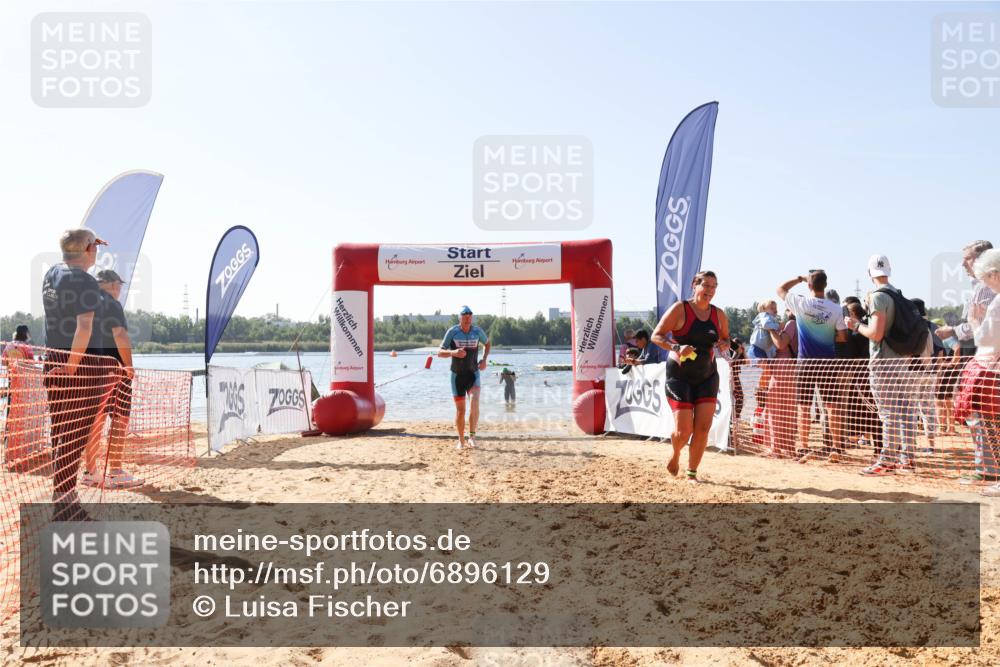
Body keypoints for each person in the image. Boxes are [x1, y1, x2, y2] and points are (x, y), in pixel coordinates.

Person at [42, 228, 115, 519]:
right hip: (78, 368)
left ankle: (64, 502)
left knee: (61, 435)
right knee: (74, 438)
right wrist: (73, 366)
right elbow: (84, 327)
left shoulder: (52, 274)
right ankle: (65, 507)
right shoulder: (83, 279)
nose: (97, 251)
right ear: (87, 249)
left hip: (53, 360)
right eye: (94, 245)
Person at [847, 255, 932, 475]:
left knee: (888, 412)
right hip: (902, 361)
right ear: (889, 270)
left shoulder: (878, 297)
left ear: (869, 273)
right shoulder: (897, 294)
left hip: (883, 362)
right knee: (906, 410)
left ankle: (887, 460)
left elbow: (875, 334)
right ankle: (908, 459)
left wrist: (856, 325)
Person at [651, 271, 730, 483]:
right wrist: (677, 346)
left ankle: (692, 473)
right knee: (683, 431)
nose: (710, 291)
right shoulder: (680, 309)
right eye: (706, 286)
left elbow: (725, 339)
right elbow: (656, 336)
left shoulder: (718, 314)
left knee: (703, 428)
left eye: (714, 287)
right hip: (680, 375)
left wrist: (725, 344)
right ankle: (675, 454)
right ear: (695, 286)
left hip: (707, 376)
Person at [777, 270, 849, 463]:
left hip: (805, 362)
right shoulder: (835, 308)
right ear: (825, 286)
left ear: (809, 285)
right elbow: (843, 337)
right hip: (827, 362)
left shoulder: (801, 303)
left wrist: (799, 279)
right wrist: (827, 335)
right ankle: (836, 447)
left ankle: (804, 447)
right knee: (832, 407)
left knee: (803, 406)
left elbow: (781, 289)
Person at [81, 270, 143, 489]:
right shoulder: (112, 304)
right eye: (120, 285)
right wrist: (129, 367)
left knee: (95, 420)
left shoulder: (85, 301)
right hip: (114, 369)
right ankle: (115, 470)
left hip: (89, 369)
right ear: (113, 284)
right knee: (119, 419)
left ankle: (90, 471)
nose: (120, 290)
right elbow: (120, 335)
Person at [960, 249, 1000, 496]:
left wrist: (976, 321)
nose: (985, 284)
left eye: (986, 279)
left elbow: (986, 337)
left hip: (993, 370)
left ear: (995, 274)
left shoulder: (998, 301)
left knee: (993, 426)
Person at [439, 306, 490, 450]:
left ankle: (472, 437)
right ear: (459, 317)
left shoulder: (477, 331)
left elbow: (487, 343)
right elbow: (439, 352)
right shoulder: (453, 332)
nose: (468, 317)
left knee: (474, 404)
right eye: (464, 315)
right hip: (457, 377)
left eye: (470, 315)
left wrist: (484, 359)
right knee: (460, 411)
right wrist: (454, 352)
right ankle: (461, 440)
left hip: (473, 374)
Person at [1, 325, 46, 468]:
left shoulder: (8, 346)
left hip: (11, 382)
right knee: (24, 417)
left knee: (10, 415)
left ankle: (8, 451)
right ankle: (22, 449)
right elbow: (31, 364)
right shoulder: (26, 347)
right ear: (26, 334)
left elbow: (3, 362)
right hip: (24, 386)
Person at [764, 310, 798, 458]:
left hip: (782, 367)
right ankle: (788, 446)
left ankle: (775, 448)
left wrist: (770, 328)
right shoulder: (802, 324)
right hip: (792, 367)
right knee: (789, 409)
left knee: (774, 407)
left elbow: (780, 344)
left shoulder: (791, 323)